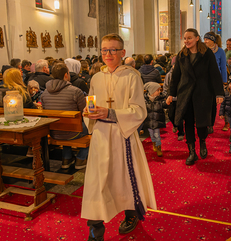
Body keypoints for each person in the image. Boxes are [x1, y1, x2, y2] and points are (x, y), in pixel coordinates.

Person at [81, 33, 156, 241]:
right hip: (100, 136)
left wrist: (110, 113)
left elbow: (139, 110)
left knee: (123, 178)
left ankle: (131, 214)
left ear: (122, 53)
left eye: (113, 50)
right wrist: (88, 112)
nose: (108, 54)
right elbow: (91, 103)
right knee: (97, 182)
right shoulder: (96, 77)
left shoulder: (132, 76)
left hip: (123, 134)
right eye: (104, 50)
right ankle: (96, 231)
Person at [167, 28, 224, 166]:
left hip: (203, 93)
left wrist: (219, 93)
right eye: (185, 38)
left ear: (197, 38)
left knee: (202, 123)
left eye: (189, 38)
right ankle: (192, 151)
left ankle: (203, 142)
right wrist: (171, 94)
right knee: (188, 123)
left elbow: (215, 73)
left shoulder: (206, 53)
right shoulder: (181, 55)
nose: (186, 41)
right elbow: (176, 76)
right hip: (185, 93)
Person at [41, 63, 89, 170]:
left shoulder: (45, 93)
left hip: (53, 131)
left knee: (64, 125)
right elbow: (84, 112)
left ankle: (66, 158)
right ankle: (81, 158)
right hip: (73, 132)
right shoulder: (75, 91)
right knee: (93, 127)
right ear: (66, 75)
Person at [203, 31, 227, 134]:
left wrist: (224, 82)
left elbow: (223, 67)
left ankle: (210, 124)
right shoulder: (202, 50)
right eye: (204, 39)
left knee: (212, 104)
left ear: (212, 40)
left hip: (215, 81)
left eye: (207, 39)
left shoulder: (220, 51)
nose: (205, 41)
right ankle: (204, 123)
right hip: (204, 81)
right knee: (203, 104)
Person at [144, 82, 169, 157]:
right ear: (152, 91)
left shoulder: (159, 100)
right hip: (149, 121)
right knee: (152, 135)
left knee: (157, 135)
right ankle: (154, 144)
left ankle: (159, 148)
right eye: (157, 90)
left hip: (157, 121)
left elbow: (164, 105)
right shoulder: (145, 100)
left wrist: (167, 103)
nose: (159, 92)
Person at [163, 56, 184, 141]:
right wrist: (166, 95)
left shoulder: (182, 74)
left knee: (180, 116)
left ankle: (181, 132)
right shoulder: (169, 75)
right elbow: (165, 86)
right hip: (171, 98)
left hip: (180, 98)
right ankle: (175, 125)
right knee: (171, 115)